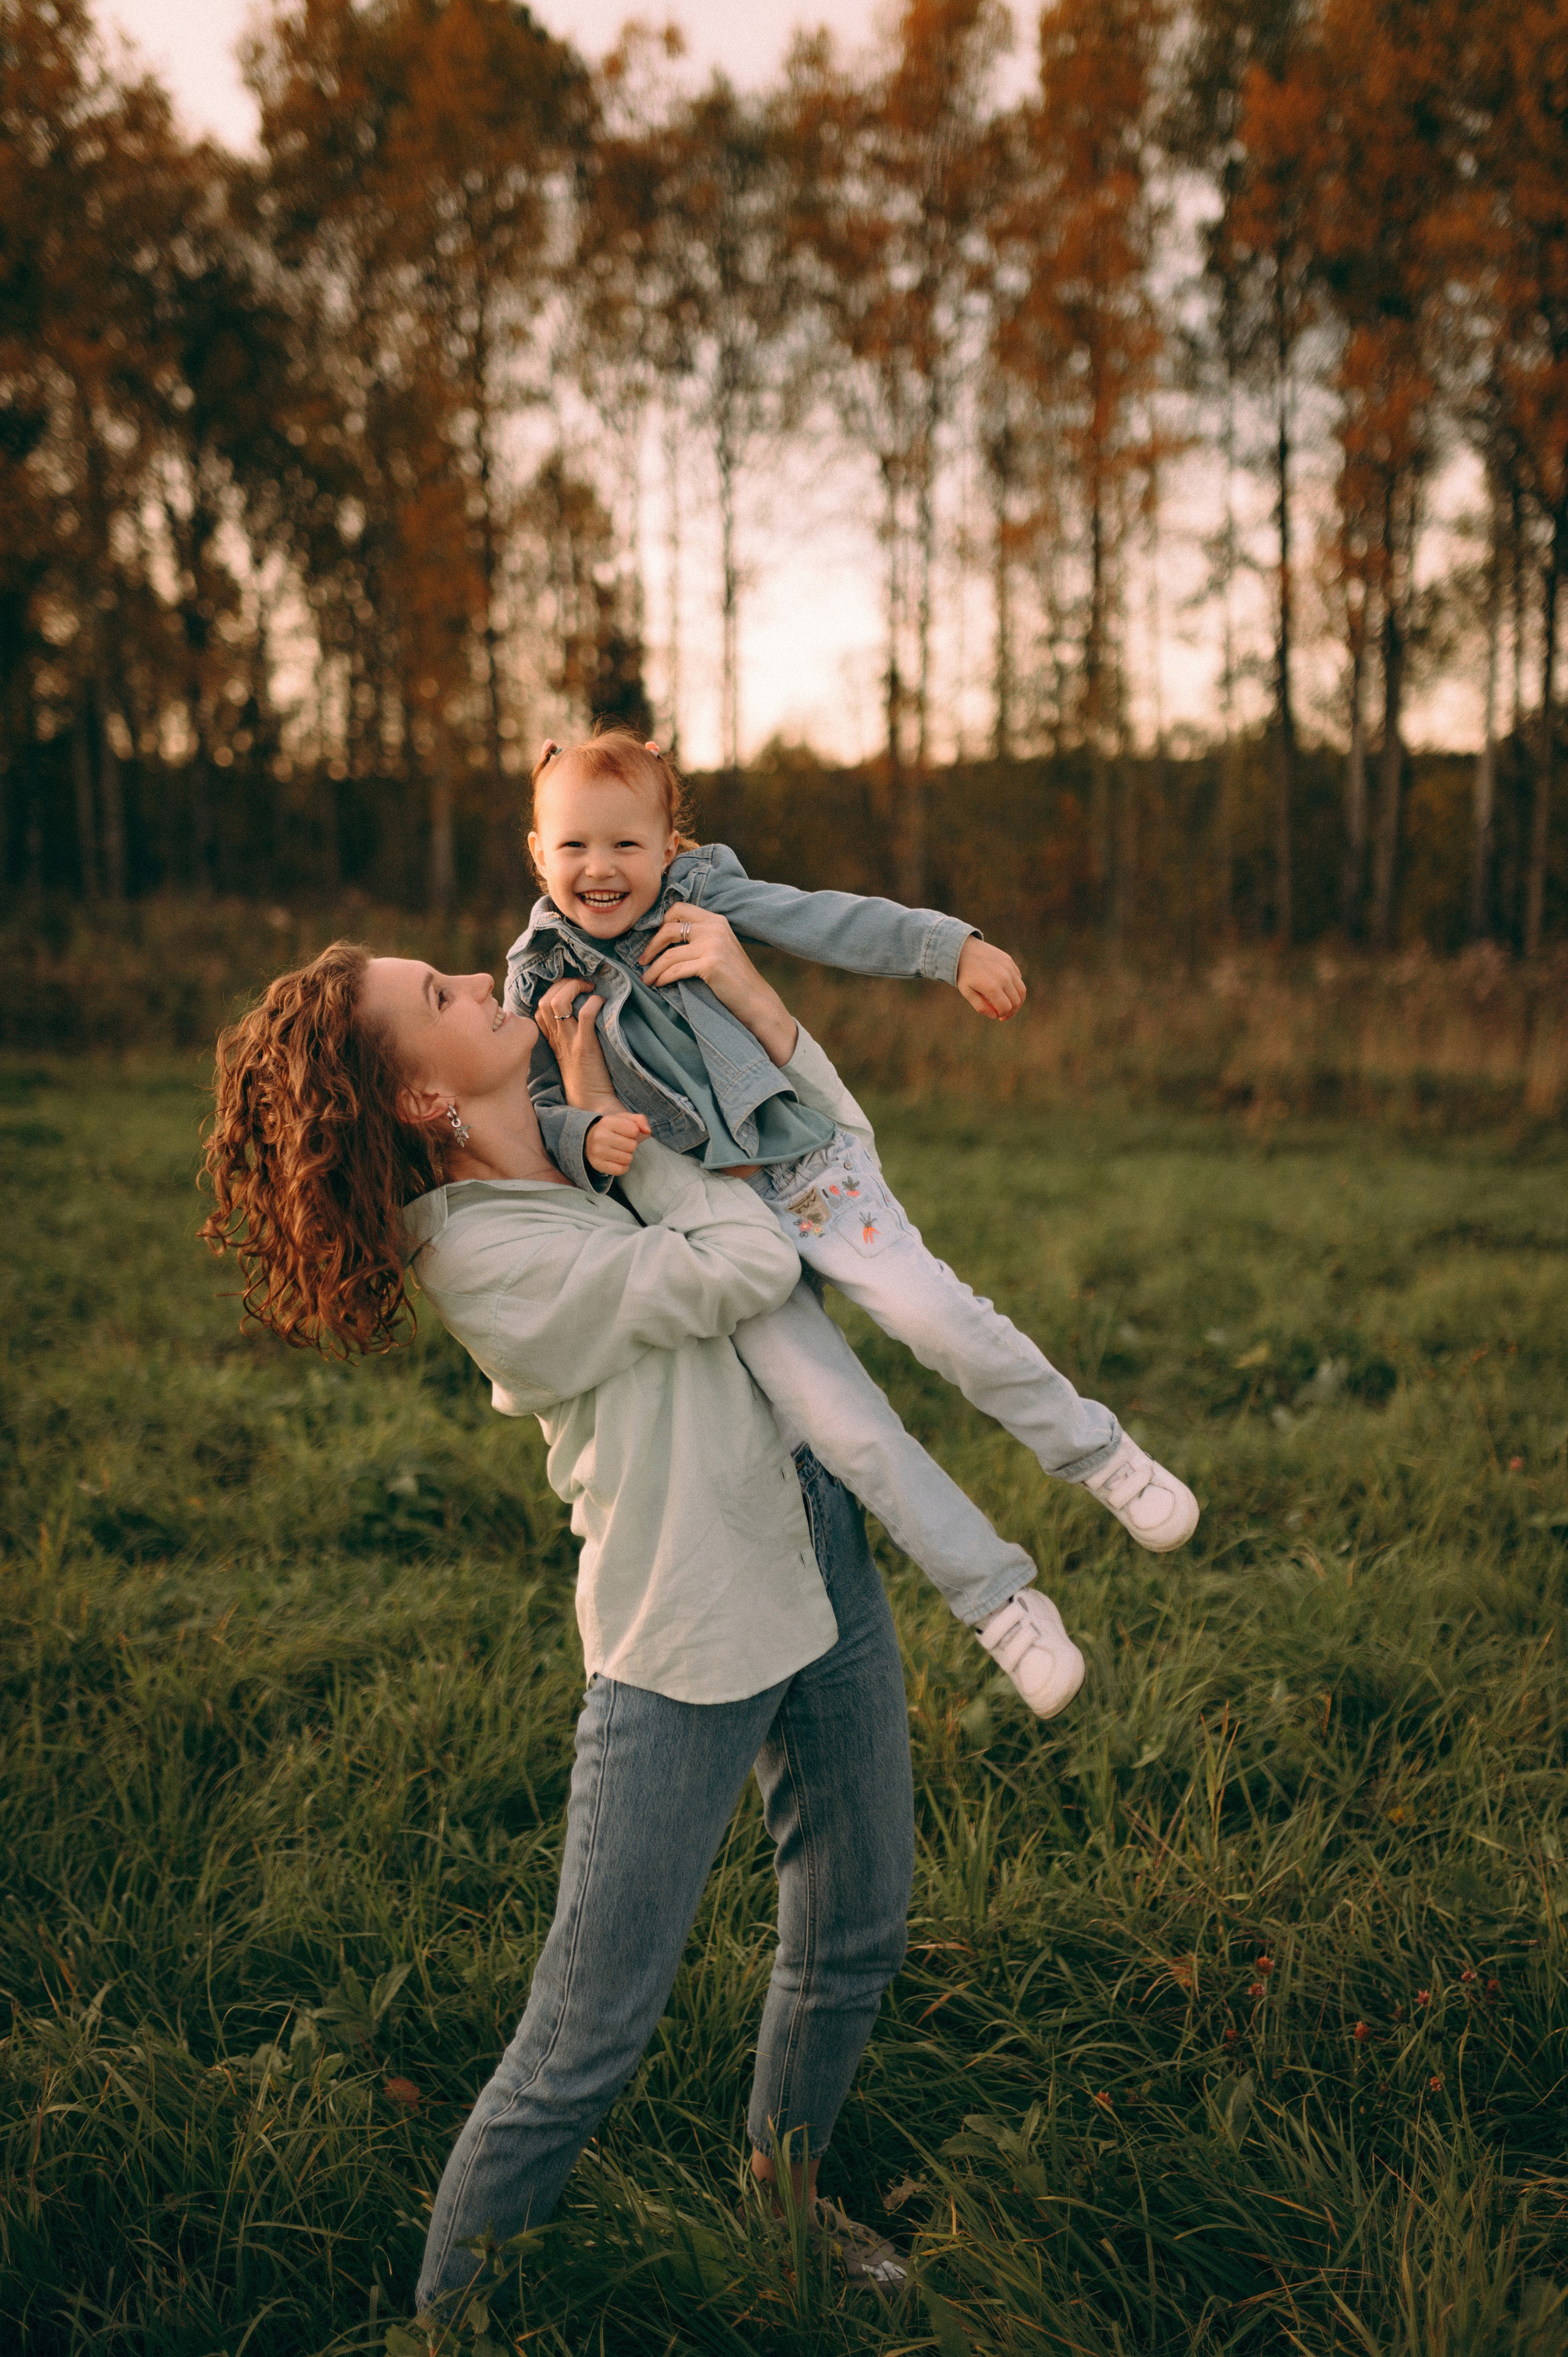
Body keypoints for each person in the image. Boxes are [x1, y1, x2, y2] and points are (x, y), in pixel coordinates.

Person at [200, 940, 921, 2320]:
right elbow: (749, 1261)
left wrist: (593, 1111)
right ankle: (447, 2325)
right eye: (443, 1000)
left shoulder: (564, 1152)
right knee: (584, 2038)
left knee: (854, 1932)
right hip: (684, 1628)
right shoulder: (489, 1259)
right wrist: (622, 1137)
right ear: (419, 1101)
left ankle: (784, 2217)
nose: (480, 983)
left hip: (814, 1550)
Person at [505, 728, 1200, 1714]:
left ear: (668, 846)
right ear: (539, 855)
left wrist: (947, 946)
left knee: (936, 1320)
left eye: (626, 844)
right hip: (715, 1236)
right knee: (846, 1429)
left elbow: (826, 921)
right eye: (574, 846)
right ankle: (999, 1603)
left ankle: (1097, 1454)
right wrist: (578, 1132)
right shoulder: (536, 983)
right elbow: (525, 1111)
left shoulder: (703, 902)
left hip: (807, 1173)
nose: (600, 869)